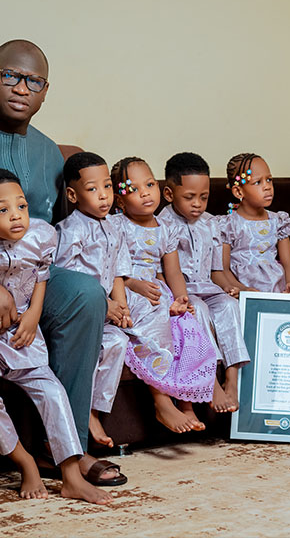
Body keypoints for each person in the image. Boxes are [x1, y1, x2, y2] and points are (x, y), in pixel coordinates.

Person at [0, 40, 122, 513]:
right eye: (11, 76)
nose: (22, 88)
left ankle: (66, 448)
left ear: (45, 92)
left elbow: (56, 238)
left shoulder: (48, 154)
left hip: (26, 276)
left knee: (83, 291)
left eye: (34, 81)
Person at [0, 168, 112, 505]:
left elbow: (42, 274)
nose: (16, 216)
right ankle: (26, 463)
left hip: (25, 335)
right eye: (3, 210)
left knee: (53, 392)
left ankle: (71, 475)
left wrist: (34, 316)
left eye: (22, 206)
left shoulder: (40, 235)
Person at [110, 156, 217, 433]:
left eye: (149, 184)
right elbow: (110, 269)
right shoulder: (116, 226)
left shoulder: (166, 229)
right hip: (130, 291)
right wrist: (134, 284)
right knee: (157, 322)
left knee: (187, 326)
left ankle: (186, 402)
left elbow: (173, 272)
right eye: (133, 189)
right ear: (120, 201)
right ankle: (161, 401)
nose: (145, 192)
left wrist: (183, 300)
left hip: (160, 291)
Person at [157, 152, 250, 414]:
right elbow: (161, 272)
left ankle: (230, 380)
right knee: (198, 310)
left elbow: (217, 271)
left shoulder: (212, 224)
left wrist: (237, 289)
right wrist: (177, 298)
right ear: (169, 194)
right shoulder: (162, 225)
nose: (197, 204)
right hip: (182, 292)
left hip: (207, 286)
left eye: (204, 197)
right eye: (189, 197)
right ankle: (212, 384)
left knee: (230, 306)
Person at [53, 151, 133, 448]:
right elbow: (66, 279)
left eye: (108, 187)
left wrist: (120, 303)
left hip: (108, 308)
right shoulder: (69, 230)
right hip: (81, 312)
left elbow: (118, 270)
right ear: (73, 195)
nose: (104, 196)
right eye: (92, 189)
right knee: (104, 344)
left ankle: (95, 409)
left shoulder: (115, 226)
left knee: (121, 341)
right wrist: (106, 305)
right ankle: (84, 410)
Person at [219, 153, 290, 294]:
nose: (267, 187)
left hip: (278, 287)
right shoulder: (229, 225)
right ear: (238, 192)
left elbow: (289, 264)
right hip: (245, 288)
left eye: (269, 180)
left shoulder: (279, 221)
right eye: (258, 182)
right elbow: (223, 269)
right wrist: (243, 290)